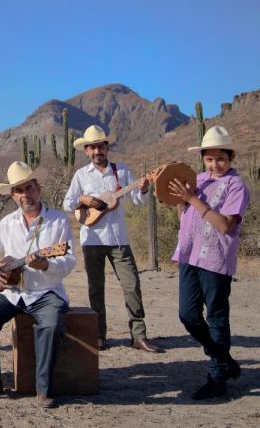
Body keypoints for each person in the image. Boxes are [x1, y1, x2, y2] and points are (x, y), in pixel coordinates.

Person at [0, 161, 76, 408]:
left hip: (46, 291)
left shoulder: (58, 221)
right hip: (11, 292)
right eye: (19, 190)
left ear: (38, 188)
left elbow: (68, 261)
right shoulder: (7, 223)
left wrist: (45, 265)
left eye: (29, 188)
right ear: (13, 195)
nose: (25, 194)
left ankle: (43, 389)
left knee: (49, 325)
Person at [62, 125, 163, 353]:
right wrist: (85, 199)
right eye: (93, 147)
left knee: (132, 285)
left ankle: (138, 335)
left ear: (107, 147)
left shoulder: (123, 171)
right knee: (96, 288)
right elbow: (68, 204)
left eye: (101, 146)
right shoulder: (81, 175)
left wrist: (144, 188)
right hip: (92, 239)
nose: (97, 150)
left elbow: (138, 201)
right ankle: (98, 334)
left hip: (119, 238)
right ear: (86, 151)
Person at [167, 126, 249, 400]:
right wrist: (182, 202)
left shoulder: (235, 186)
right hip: (189, 254)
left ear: (231, 158)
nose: (215, 164)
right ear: (202, 158)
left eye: (221, 159)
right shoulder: (197, 180)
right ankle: (224, 359)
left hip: (215, 257)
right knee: (187, 315)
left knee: (216, 317)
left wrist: (191, 198)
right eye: (210, 158)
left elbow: (225, 225)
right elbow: (186, 220)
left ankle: (217, 377)